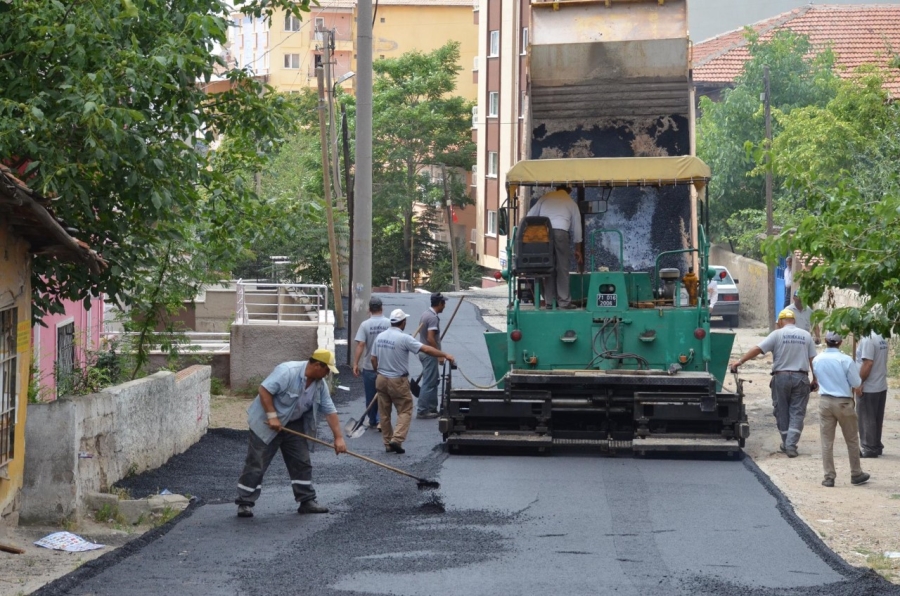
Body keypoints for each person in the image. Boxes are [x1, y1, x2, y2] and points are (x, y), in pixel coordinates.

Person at [235, 349, 347, 518]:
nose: (328, 373)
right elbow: (264, 390)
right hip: (266, 422)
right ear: (317, 365)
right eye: (327, 369)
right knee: (256, 462)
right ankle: (245, 502)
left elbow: (329, 410)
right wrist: (272, 416)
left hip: (293, 424)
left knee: (301, 461)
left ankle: (306, 500)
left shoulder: (319, 385)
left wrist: (338, 438)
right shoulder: (287, 371)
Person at [730, 308, 818, 458]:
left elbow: (758, 349)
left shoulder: (777, 334)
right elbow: (812, 360)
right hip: (801, 377)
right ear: (794, 321)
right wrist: (815, 379)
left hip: (781, 377)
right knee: (797, 412)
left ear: (780, 322)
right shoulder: (806, 335)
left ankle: (788, 444)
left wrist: (739, 361)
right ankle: (790, 444)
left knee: (781, 410)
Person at [372, 308, 455, 454]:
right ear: (403, 322)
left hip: (381, 378)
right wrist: (445, 354)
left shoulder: (380, 337)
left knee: (384, 413)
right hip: (397, 380)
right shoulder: (404, 338)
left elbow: (373, 359)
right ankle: (396, 440)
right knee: (405, 409)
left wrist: (378, 371)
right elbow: (427, 350)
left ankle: (387, 443)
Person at [812, 331, 869, 487]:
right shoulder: (846, 360)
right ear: (840, 342)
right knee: (851, 439)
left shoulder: (817, 360)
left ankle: (829, 477)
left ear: (825, 341)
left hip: (825, 402)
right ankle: (856, 473)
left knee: (826, 442)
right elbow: (856, 383)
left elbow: (818, 377)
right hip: (843, 402)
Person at [526, 185, 583, 309]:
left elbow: (529, 215)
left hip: (544, 234)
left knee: (548, 266)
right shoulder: (571, 202)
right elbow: (577, 228)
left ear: (557, 188)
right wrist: (578, 249)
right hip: (561, 233)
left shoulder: (545, 198)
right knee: (562, 267)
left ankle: (549, 302)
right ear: (570, 190)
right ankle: (564, 302)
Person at [352, 296, 391, 430]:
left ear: (369, 310)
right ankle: (382, 420)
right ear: (382, 308)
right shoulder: (389, 323)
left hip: (369, 366)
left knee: (370, 394)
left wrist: (356, 363)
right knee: (384, 394)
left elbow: (361, 345)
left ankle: (373, 419)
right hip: (386, 366)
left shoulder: (365, 325)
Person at [856, 331, 889, 458]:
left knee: (866, 417)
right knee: (876, 418)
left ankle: (869, 447)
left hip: (869, 386)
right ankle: (876, 445)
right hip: (880, 384)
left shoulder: (868, 339)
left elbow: (868, 363)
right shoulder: (881, 337)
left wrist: (859, 382)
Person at [416, 293, 447, 419]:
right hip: (429, 353)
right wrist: (439, 354)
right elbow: (430, 338)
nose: (444, 306)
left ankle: (432, 408)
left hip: (425, 352)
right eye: (443, 303)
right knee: (429, 382)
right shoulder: (432, 318)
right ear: (439, 304)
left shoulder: (426, 314)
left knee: (433, 380)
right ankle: (423, 410)